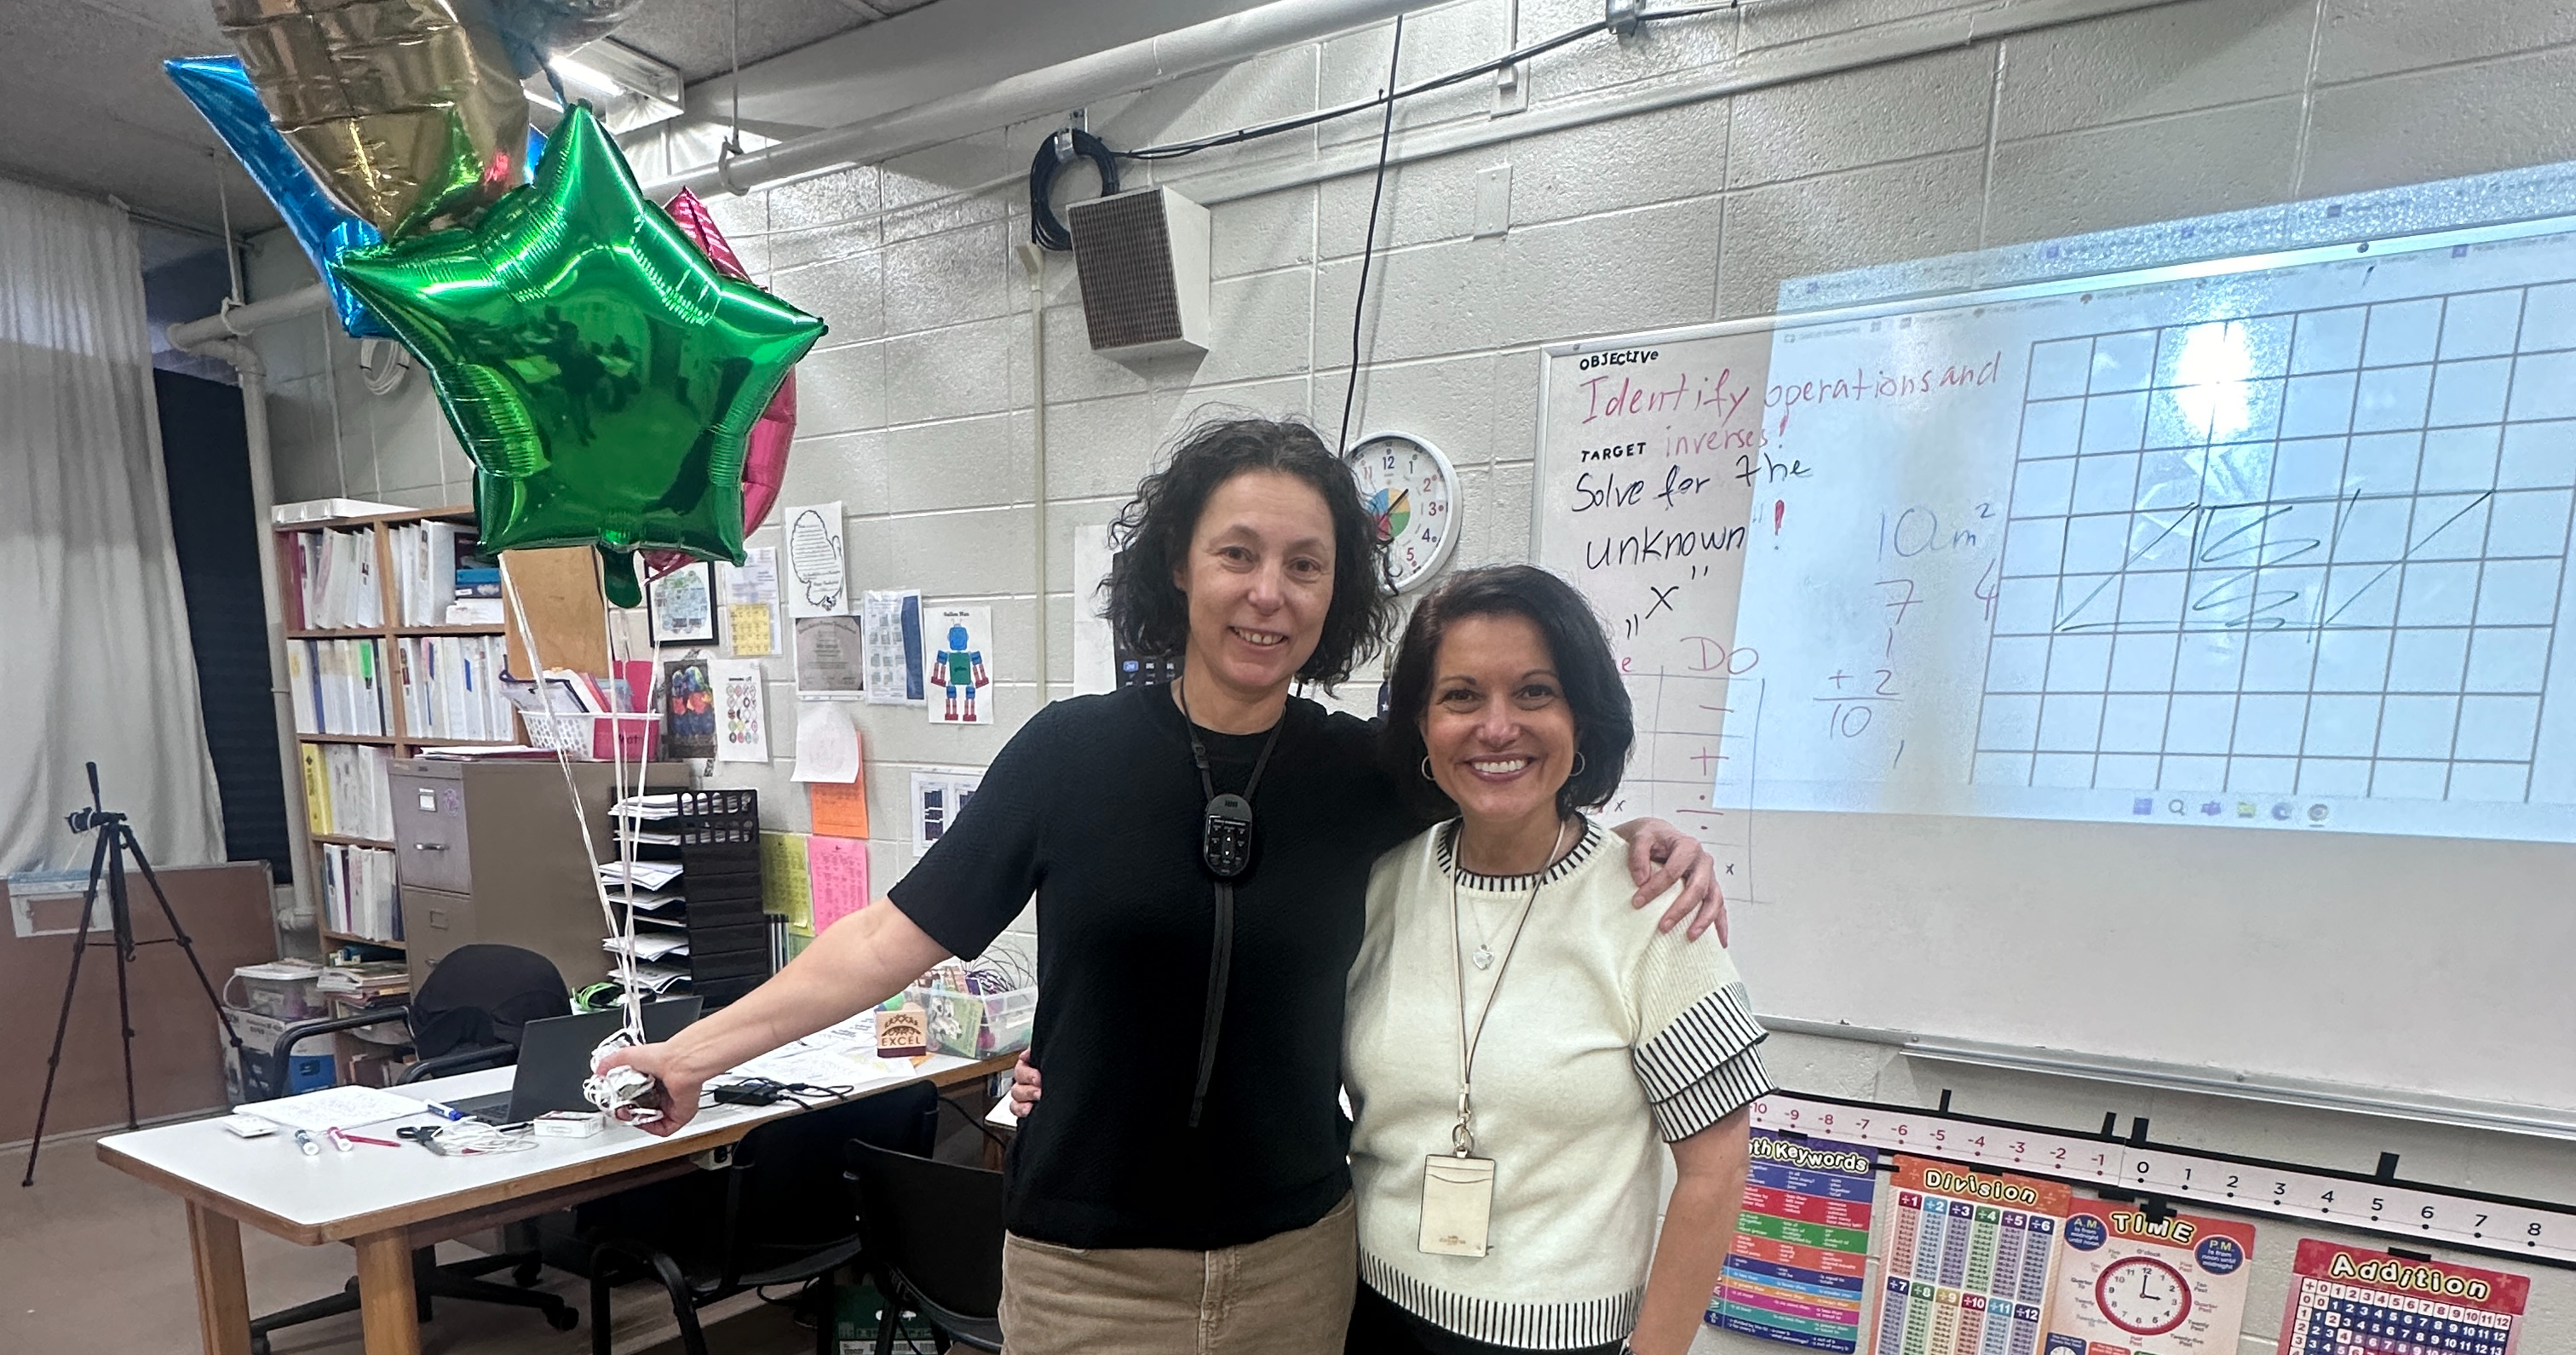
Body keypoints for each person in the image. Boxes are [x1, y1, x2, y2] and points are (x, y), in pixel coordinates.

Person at [599, 417, 1731, 1355]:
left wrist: (1645, 835)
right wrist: (691, 1054)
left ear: (1337, 594)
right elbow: (894, 934)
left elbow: (1512, 781)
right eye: (1238, 553)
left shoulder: (1364, 776)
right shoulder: (1068, 753)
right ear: (1180, 563)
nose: (1268, 593)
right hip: (1085, 1269)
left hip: (1297, 1262)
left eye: (1306, 564)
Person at [1017, 564, 1766, 1355]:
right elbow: (1252, 1015)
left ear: (1583, 717)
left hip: (1563, 1339)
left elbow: (1715, 1172)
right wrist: (1077, 1066)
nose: (1497, 725)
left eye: (1535, 692)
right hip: (1359, 1312)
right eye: (1462, 695)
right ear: (1419, 725)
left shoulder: (1654, 906)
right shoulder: (1381, 881)